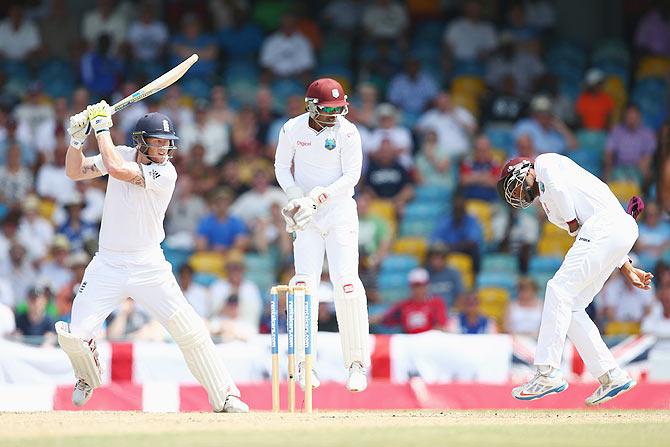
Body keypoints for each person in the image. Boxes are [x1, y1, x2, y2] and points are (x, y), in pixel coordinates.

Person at [58, 104, 248, 412]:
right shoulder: (120, 152)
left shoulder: (165, 173)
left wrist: (102, 127)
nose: (164, 147)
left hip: (148, 266)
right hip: (107, 263)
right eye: (157, 141)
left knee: (191, 331)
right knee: (75, 334)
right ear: (141, 142)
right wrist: (77, 139)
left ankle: (225, 395)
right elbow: (74, 171)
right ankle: (87, 375)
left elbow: (117, 169)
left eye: (166, 141)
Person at [496, 154, 653, 405]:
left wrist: (571, 222)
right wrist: (626, 267)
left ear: (526, 170)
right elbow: (592, 241)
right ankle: (611, 375)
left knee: (558, 289)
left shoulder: (544, 162)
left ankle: (547, 372)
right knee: (570, 306)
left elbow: (561, 192)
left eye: (514, 184)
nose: (515, 192)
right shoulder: (551, 211)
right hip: (611, 232)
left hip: (608, 225)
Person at [274, 78, 371, 393]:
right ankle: (304, 364)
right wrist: (294, 197)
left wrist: (317, 198)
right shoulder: (292, 129)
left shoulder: (348, 131)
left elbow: (351, 176)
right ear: (310, 106)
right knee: (304, 284)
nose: (333, 116)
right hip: (306, 214)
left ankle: (356, 365)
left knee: (346, 283)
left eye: (337, 109)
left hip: (339, 212)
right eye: (327, 111)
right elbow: (281, 167)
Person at [371, 268, 448, 334]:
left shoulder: (436, 303)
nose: (418, 289)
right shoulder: (403, 305)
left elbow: (441, 326)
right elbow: (384, 318)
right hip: (410, 344)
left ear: (426, 286)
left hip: (430, 342)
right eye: (415, 286)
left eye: (421, 285)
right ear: (411, 287)